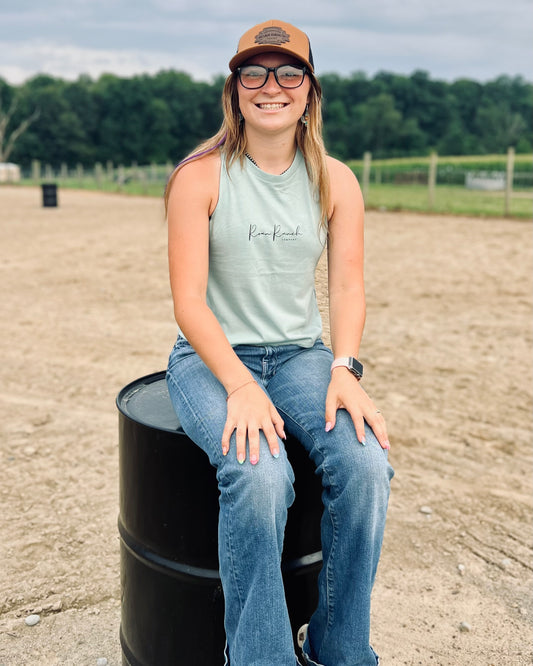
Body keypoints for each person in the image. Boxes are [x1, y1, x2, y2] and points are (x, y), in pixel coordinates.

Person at [164, 19, 394, 666]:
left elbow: (346, 289)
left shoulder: (336, 180)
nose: (272, 86)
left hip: (301, 356)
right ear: (234, 90)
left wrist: (344, 369)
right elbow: (188, 304)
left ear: (309, 91)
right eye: (254, 73)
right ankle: (259, 656)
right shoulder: (199, 176)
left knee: (366, 465)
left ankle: (339, 646)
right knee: (260, 475)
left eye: (288, 72)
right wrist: (238, 384)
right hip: (210, 359)